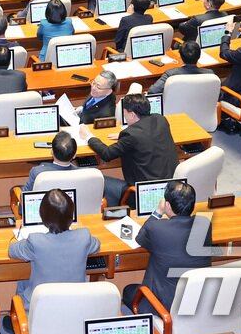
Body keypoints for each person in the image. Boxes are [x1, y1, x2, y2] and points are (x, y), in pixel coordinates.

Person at [126, 180, 213, 315]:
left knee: (128, 290)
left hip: (163, 306)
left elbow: (140, 238)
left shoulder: (157, 228)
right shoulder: (204, 224)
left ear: (167, 205)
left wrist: (158, 212)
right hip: (196, 300)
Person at [8, 187, 100, 309]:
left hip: (41, 307)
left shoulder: (35, 241)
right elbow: (96, 245)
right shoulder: (84, 236)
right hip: (76, 303)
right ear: (71, 216)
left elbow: (12, 251)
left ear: (42, 217)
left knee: (22, 281)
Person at [86, 94, 179, 206]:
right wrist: (125, 135)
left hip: (144, 193)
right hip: (170, 189)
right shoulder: (161, 120)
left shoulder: (131, 135)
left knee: (96, 178)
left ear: (132, 115)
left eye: (124, 112)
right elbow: (145, 134)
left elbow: (107, 154)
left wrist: (89, 137)